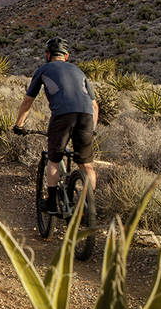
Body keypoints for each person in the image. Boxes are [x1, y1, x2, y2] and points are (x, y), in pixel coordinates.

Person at [13, 37, 99, 214]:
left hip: (62, 116)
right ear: (66, 56)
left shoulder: (44, 69)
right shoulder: (79, 71)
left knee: (54, 159)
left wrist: (19, 124)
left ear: (48, 54)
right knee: (87, 165)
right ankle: (88, 205)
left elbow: (28, 100)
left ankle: (51, 202)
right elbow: (95, 105)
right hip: (87, 116)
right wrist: (93, 129)